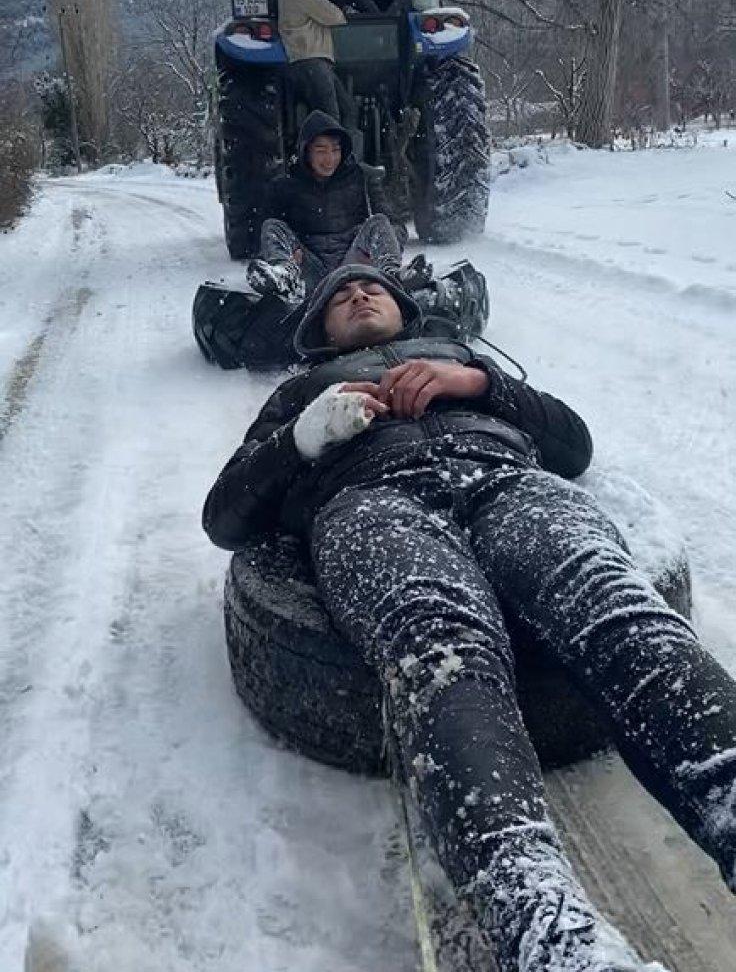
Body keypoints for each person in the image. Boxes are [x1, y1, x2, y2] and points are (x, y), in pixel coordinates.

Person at [203, 266, 736, 972]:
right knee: (442, 653)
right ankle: (541, 920)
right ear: (318, 330)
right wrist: (304, 435)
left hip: (508, 484)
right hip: (374, 504)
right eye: (339, 295)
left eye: (374, 289)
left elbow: (574, 444)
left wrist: (482, 385)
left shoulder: (459, 358)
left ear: (404, 308)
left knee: (615, 605)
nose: (358, 295)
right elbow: (226, 516)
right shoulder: (301, 391)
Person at [245, 110, 404, 305]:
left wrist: (373, 255)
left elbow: (394, 225)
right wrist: (290, 258)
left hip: (354, 264)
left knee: (379, 222)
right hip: (310, 269)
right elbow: (264, 238)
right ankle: (284, 278)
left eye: (335, 150)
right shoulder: (285, 186)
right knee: (272, 226)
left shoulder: (362, 177)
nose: (330, 159)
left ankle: (393, 278)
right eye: (321, 151)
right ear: (306, 151)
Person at [278, 0, 356, 127]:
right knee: (331, 116)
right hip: (310, 58)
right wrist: (346, 12)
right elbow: (331, 16)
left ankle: (344, 151)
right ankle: (330, 153)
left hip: (316, 59)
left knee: (348, 109)